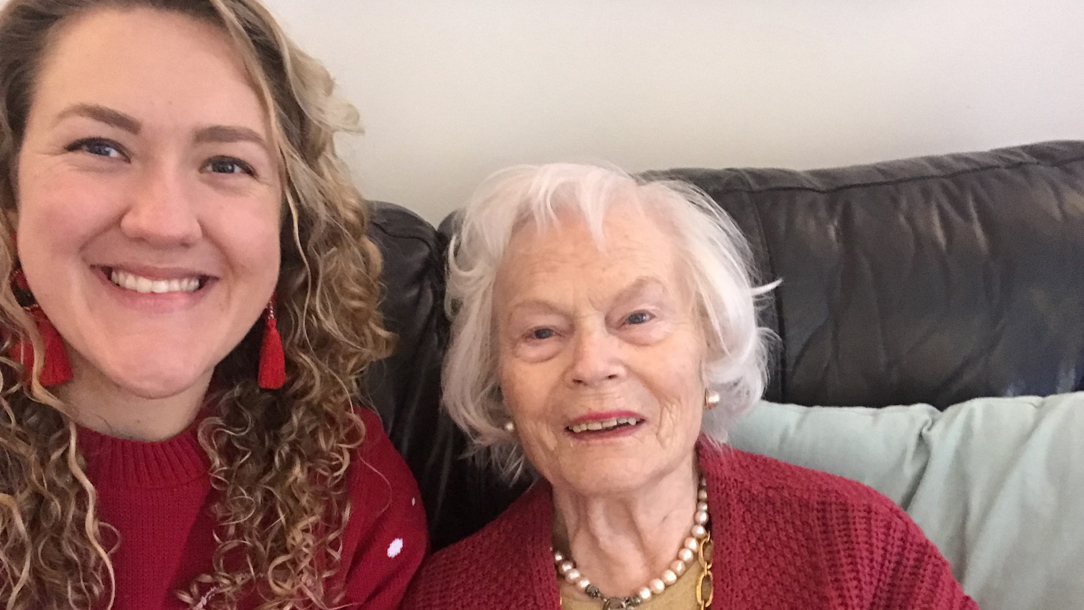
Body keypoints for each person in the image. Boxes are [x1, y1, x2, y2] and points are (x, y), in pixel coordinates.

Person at [0, 0, 427, 608]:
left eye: (227, 163)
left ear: (288, 226)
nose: (164, 222)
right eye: (100, 147)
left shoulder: (355, 495)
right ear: (10, 191)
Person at [402, 163, 977, 609]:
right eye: (542, 332)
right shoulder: (447, 597)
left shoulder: (856, 544)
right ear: (498, 379)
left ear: (711, 344)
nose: (592, 365)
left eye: (638, 318)